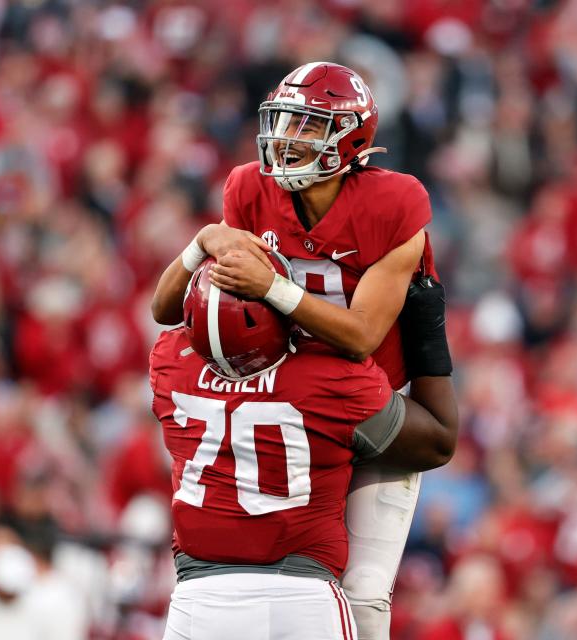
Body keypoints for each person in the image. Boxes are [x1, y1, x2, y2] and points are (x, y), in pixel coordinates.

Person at [150, 61, 453, 639]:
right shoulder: (248, 188)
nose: (288, 139)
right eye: (285, 122)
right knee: (283, 569)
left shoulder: (395, 203)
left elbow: (362, 333)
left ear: (352, 139)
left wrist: (274, 290)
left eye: (309, 127)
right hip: (294, 401)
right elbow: (177, 308)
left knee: (362, 595)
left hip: (367, 404)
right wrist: (198, 246)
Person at [151, 254, 458, 640]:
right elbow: (437, 442)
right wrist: (426, 334)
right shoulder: (327, 378)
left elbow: (171, 312)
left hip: (197, 604)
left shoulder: (169, 363)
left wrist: (199, 246)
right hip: (301, 601)